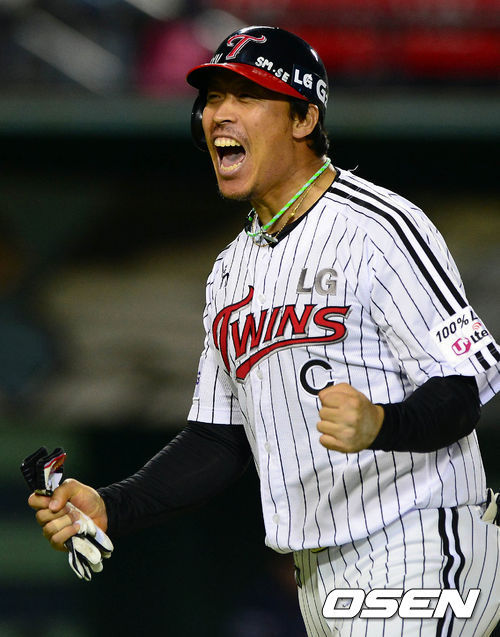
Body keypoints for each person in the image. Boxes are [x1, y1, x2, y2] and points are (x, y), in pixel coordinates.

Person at [28, 26, 500, 636]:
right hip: (317, 573)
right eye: (212, 98)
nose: (220, 114)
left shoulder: (378, 228)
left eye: (246, 96)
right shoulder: (231, 271)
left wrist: (384, 423)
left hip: (422, 542)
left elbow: (465, 384)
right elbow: (218, 441)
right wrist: (112, 504)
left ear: (304, 118)